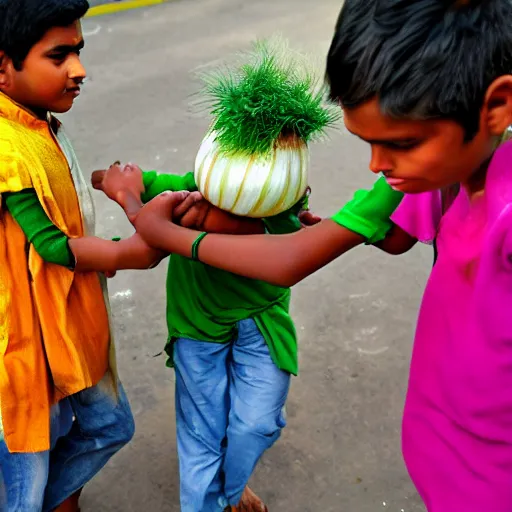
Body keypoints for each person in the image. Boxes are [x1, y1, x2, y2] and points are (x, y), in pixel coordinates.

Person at [99, 0, 512, 510]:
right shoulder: (437, 171)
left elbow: (287, 261)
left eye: (401, 143)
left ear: (496, 107)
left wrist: (155, 228)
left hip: (491, 476)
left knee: (254, 420)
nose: (379, 165)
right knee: (204, 425)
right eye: (368, 143)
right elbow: (400, 235)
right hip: (443, 452)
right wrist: (337, 228)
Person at [0, 0, 168, 510]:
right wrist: (132, 252)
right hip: (23, 341)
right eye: (59, 56)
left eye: (79, 51)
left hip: (71, 320)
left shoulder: (39, 120)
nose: (79, 69)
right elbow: (50, 243)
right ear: (4, 67)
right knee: (24, 482)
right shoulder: (7, 148)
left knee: (110, 426)